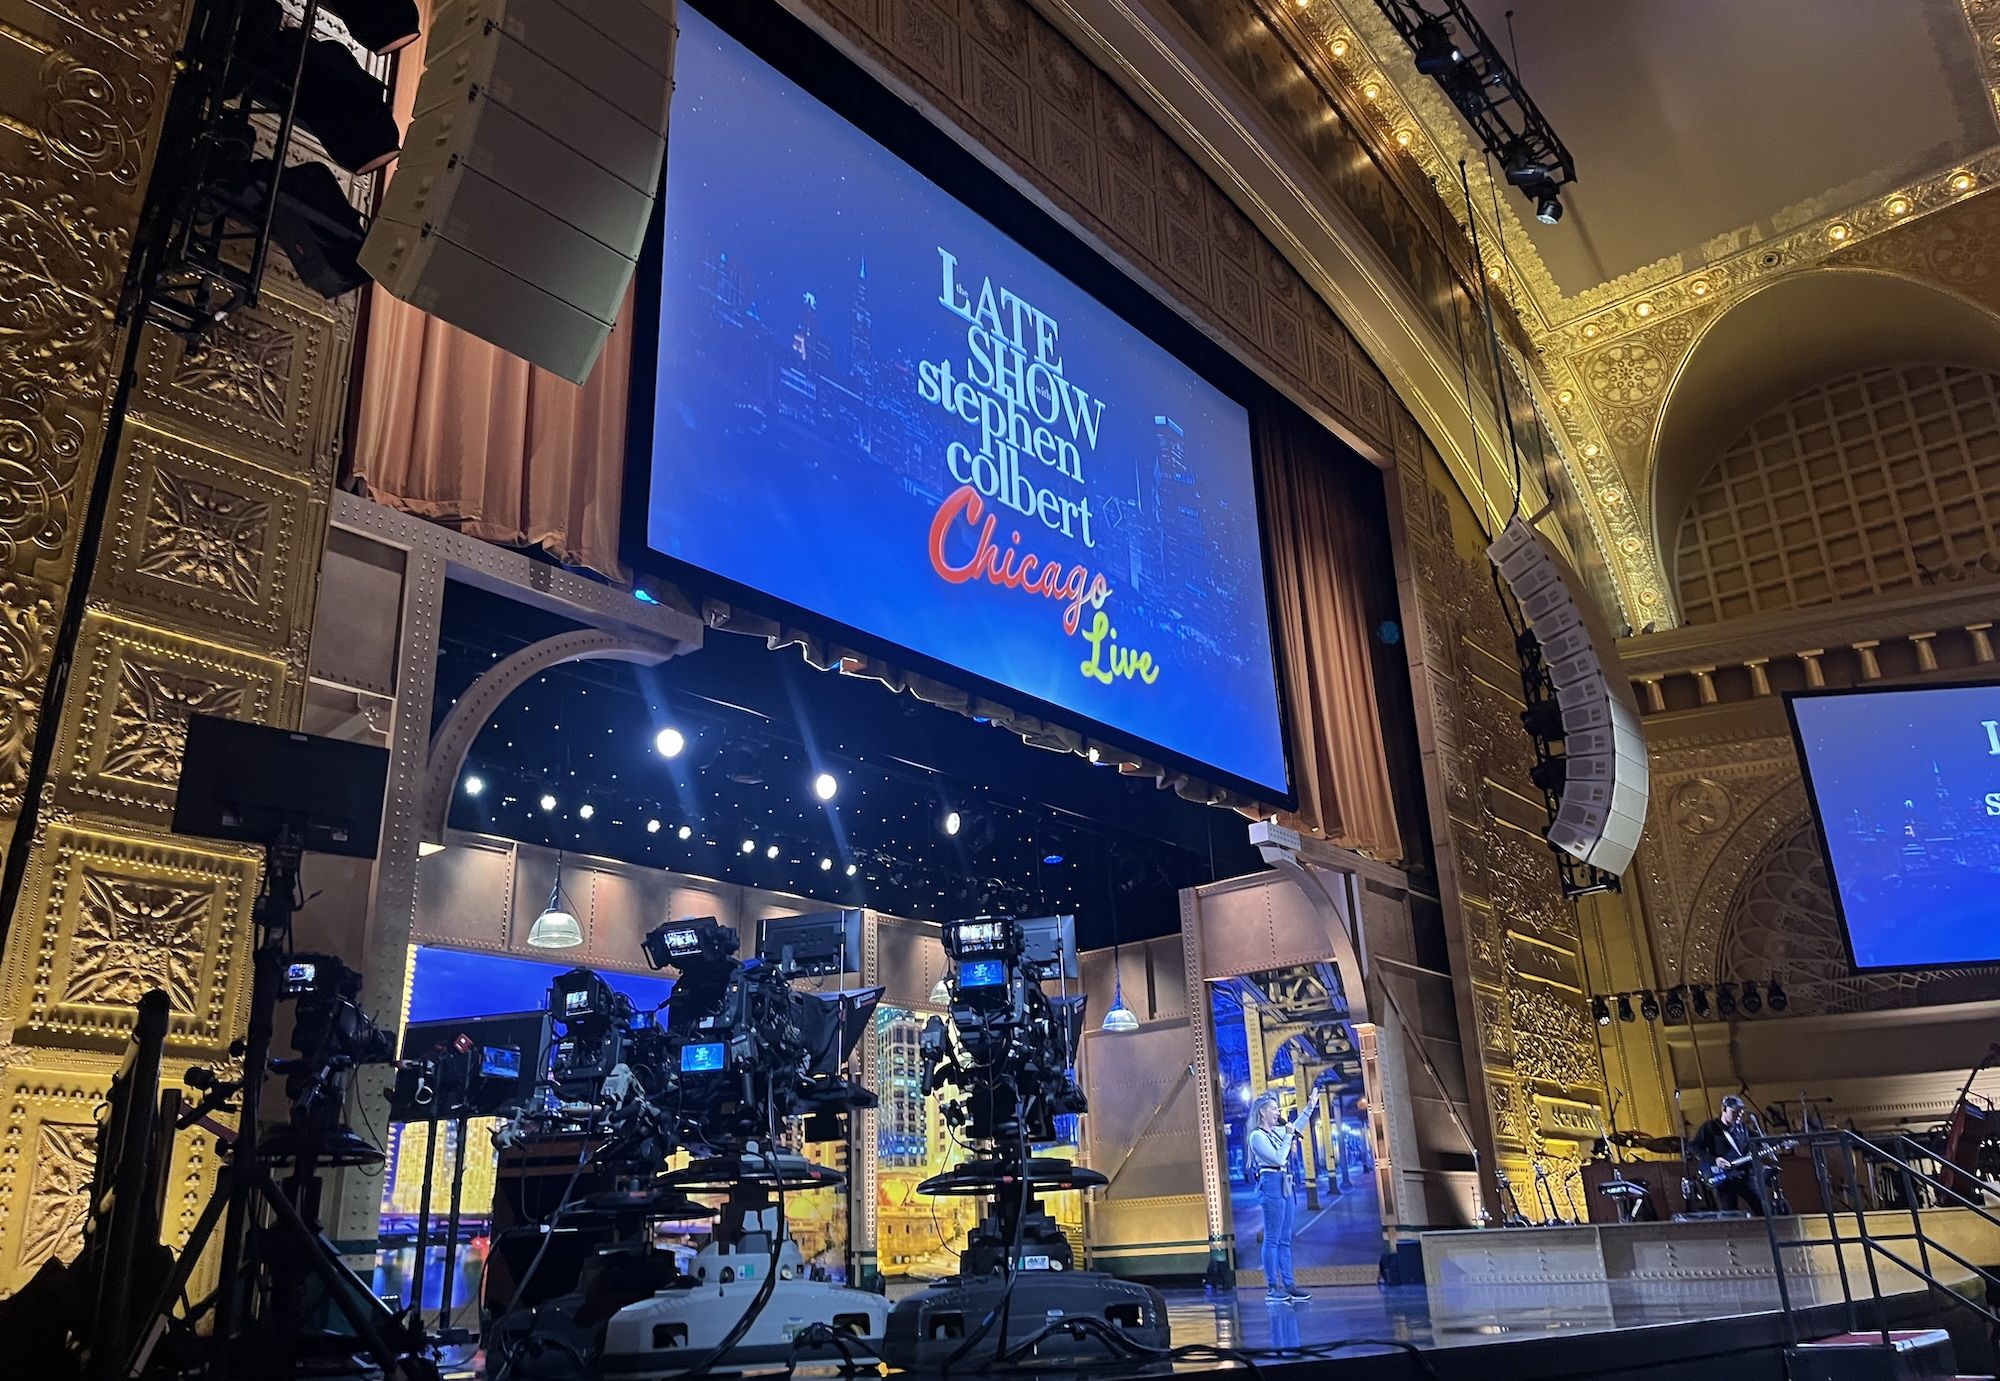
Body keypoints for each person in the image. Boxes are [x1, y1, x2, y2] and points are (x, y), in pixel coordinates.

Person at [1247, 1084, 1323, 1303]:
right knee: (1272, 1237)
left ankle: (1289, 1285)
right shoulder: (1257, 1137)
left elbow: (1296, 1126)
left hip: (1284, 1182)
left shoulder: (1278, 1131)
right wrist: (1289, 1136)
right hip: (1270, 1181)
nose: (1278, 1112)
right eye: (1274, 1108)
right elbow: (1279, 1158)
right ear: (1263, 1112)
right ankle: (1272, 1287)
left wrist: (1310, 1107)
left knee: (1285, 1238)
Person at [1692, 1094, 1770, 1216]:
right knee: (1730, 1215)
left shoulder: (1743, 1127)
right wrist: (1714, 1159)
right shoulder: (1710, 1127)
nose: (1740, 1114)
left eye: (1741, 1111)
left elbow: (1760, 1140)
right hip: (1724, 1179)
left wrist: (1779, 1141)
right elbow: (1694, 1146)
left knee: (1764, 1211)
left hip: (1745, 1176)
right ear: (1724, 1109)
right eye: (1735, 1111)